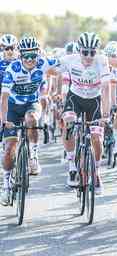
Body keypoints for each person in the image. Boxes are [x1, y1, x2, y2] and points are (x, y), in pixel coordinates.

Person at [0, 36, 59, 206]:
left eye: (33, 56)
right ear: (20, 56)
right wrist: (4, 121)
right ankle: (6, 185)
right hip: (12, 107)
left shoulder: (43, 62)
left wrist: (59, 88)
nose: (30, 60)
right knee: (10, 148)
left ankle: (33, 156)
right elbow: (3, 98)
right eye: (26, 56)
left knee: (31, 119)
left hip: (31, 104)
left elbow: (64, 66)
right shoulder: (13, 69)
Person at [57, 32, 111, 194]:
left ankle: (96, 171)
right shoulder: (69, 60)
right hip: (75, 98)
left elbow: (106, 87)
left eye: (92, 53)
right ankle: (72, 165)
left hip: (94, 101)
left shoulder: (102, 61)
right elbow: (51, 69)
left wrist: (106, 114)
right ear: (78, 50)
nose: (88, 56)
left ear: (97, 52)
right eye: (84, 52)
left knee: (96, 137)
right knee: (69, 123)